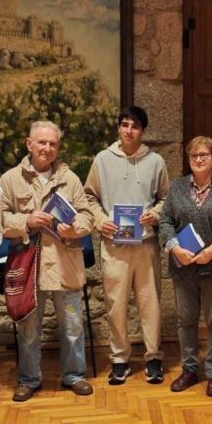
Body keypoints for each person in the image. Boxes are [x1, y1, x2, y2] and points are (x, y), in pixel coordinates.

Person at [0, 121, 94, 402]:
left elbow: (87, 215)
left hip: (66, 262)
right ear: (29, 144)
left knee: (73, 326)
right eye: (42, 142)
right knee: (28, 329)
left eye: (53, 144)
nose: (47, 148)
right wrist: (25, 221)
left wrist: (75, 226)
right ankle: (28, 379)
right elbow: (0, 220)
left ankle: (75, 376)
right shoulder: (9, 179)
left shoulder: (71, 178)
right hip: (29, 266)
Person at [84, 106, 169, 385]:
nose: (128, 130)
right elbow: (89, 197)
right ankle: (119, 359)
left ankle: (154, 357)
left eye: (134, 126)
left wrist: (154, 215)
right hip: (114, 245)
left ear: (142, 130)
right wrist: (100, 220)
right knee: (115, 304)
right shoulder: (102, 160)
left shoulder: (155, 161)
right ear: (118, 128)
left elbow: (165, 199)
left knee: (150, 303)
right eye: (124, 125)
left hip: (145, 244)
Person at [160, 136, 212, 397]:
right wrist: (174, 247)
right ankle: (190, 369)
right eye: (194, 155)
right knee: (186, 321)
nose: (198, 159)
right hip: (183, 266)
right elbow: (165, 221)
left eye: (204, 155)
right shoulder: (177, 188)